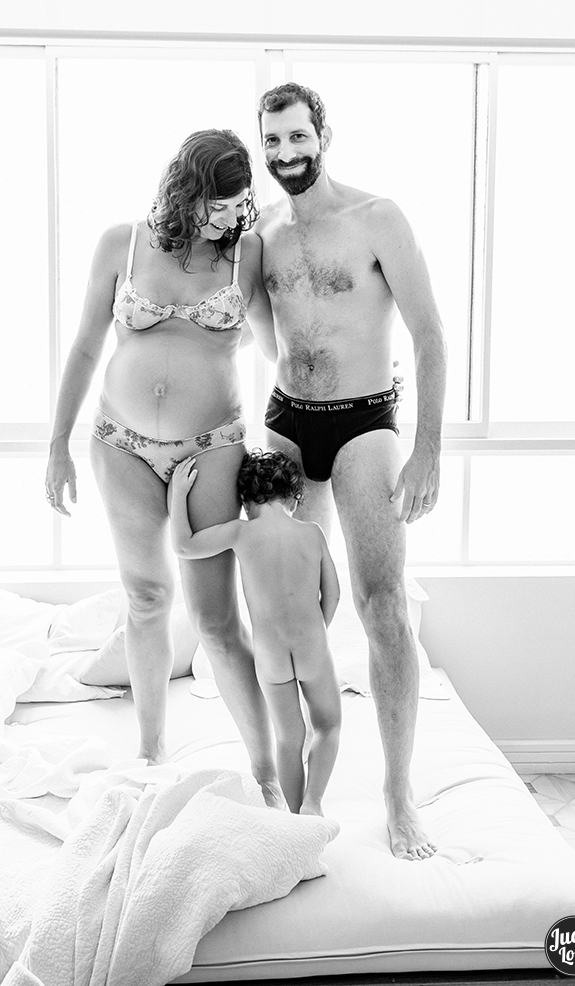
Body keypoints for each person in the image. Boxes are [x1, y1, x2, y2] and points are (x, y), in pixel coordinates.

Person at [44, 128, 285, 807]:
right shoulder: (121, 243)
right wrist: (57, 442)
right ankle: (150, 750)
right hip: (119, 443)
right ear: (184, 190)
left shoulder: (248, 252)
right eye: (217, 203)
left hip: (212, 446)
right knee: (147, 599)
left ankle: (268, 771)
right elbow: (86, 347)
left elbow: (277, 349)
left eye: (239, 204)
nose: (229, 217)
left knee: (215, 621)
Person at [256, 82, 447, 859]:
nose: (286, 153)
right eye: (273, 141)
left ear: (322, 136)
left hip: (365, 422)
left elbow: (430, 334)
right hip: (286, 422)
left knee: (382, 604)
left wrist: (428, 449)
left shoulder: (378, 218)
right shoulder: (261, 234)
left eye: (298, 136)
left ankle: (399, 794)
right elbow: (237, 327)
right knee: (289, 612)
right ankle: (299, 783)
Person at [170, 448, 342, 817]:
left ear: (246, 501)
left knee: (288, 737)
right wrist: (319, 630)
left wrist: (178, 495)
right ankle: (313, 803)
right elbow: (333, 593)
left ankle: (294, 816)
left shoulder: (241, 532)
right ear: (294, 498)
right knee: (328, 725)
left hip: (270, 655)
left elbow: (183, 546)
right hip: (311, 645)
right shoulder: (311, 533)